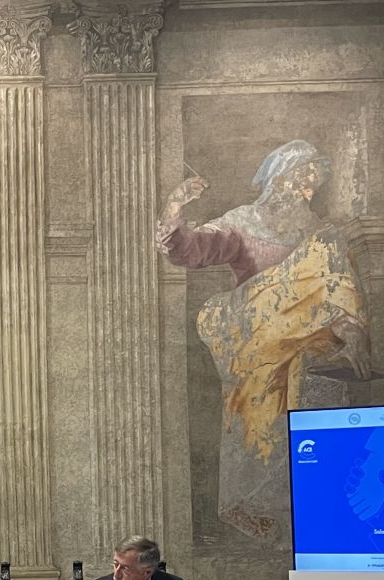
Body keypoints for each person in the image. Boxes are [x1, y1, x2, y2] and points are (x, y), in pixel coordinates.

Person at [157, 140, 371, 540]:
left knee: (315, 393)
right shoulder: (244, 221)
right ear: (278, 180)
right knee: (259, 406)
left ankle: (314, 508)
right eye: (300, 181)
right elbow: (190, 249)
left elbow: (337, 290)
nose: (307, 192)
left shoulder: (323, 236)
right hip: (257, 335)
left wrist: (352, 331)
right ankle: (254, 504)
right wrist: (175, 207)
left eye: (313, 185)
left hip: (309, 342)